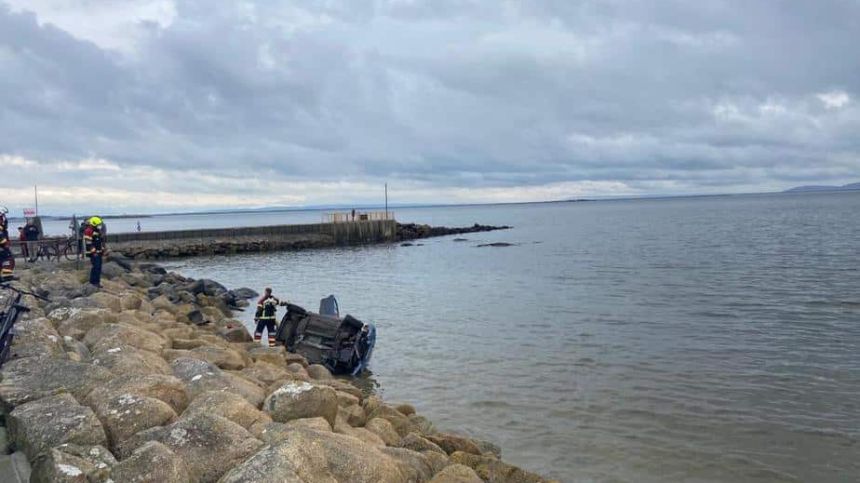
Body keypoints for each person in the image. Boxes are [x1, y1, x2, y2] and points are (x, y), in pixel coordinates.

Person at [83, 216, 106, 287]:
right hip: (93, 253)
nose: (99, 226)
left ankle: (96, 282)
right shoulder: (88, 231)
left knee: (98, 267)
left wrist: (102, 250)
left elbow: (99, 242)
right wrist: (94, 252)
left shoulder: (96, 231)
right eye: (98, 225)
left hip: (98, 252)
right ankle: (94, 282)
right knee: (96, 267)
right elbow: (89, 243)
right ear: (93, 224)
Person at [0, 211, 14, 281]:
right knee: (7, 259)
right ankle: (6, 276)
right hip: (2, 248)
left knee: (7, 260)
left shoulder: (3, 228)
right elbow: (1, 238)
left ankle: (7, 275)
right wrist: (5, 244)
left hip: (3, 247)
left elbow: (5, 224)